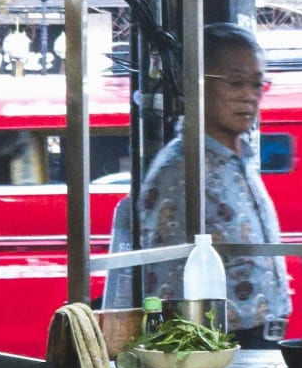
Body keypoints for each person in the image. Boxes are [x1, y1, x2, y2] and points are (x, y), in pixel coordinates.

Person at [106, 22, 292, 348]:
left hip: (261, 340)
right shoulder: (181, 170)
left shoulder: (239, 158)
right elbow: (167, 290)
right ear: (197, 85)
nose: (249, 97)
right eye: (235, 83)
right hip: (218, 347)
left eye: (257, 84)